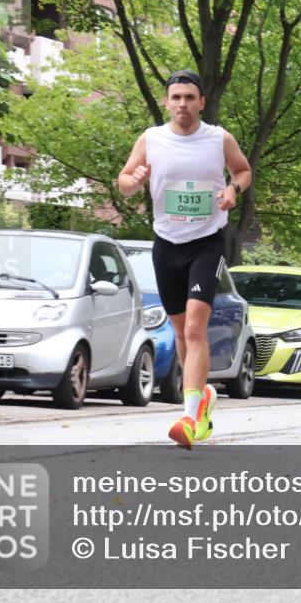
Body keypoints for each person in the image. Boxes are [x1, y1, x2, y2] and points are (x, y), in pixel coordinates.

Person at [117, 70, 252, 448]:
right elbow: (124, 181)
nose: (182, 104)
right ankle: (203, 398)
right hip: (166, 244)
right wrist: (136, 179)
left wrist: (232, 189)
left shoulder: (218, 138)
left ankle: (190, 418)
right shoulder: (151, 139)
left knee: (195, 326)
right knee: (180, 332)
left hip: (206, 242)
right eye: (176, 97)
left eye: (190, 97)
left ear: (201, 102)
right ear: (167, 102)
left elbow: (243, 170)